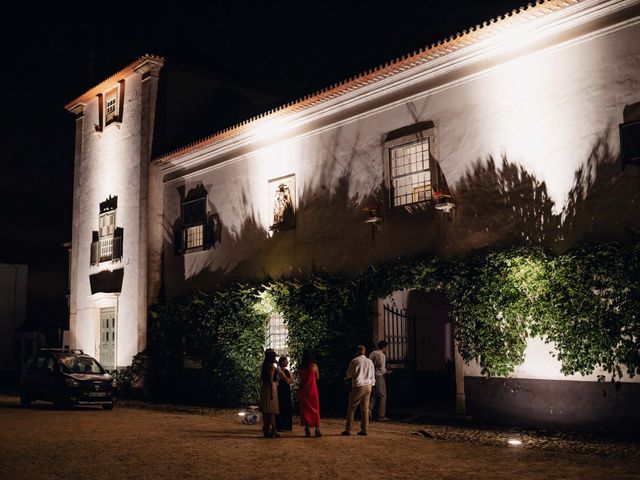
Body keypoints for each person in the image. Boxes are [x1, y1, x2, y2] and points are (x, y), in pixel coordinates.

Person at [342, 345, 375, 436]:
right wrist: (372, 384)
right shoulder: (369, 361)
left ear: (357, 352)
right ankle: (364, 429)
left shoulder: (355, 361)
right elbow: (372, 375)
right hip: (368, 385)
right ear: (365, 352)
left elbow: (349, 374)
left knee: (352, 408)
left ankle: (348, 429)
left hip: (358, 385)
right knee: (365, 408)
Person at [259, 349, 293, 438]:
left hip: (265, 388)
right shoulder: (271, 367)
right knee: (271, 411)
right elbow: (272, 380)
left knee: (266, 411)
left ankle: (266, 429)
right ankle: (274, 430)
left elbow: (261, 379)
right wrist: (272, 393)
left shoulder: (264, 366)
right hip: (271, 387)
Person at [297, 350, 321, 438]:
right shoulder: (314, 366)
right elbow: (317, 377)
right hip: (312, 390)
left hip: (303, 390)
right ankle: (317, 430)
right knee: (315, 409)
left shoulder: (300, 368)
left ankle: (306, 429)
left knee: (305, 410)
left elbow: (301, 379)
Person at [369, 340, 391, 421]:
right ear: (384, 347)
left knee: (374, 394)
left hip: (371, 376)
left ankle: (368, 409)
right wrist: (387, 371)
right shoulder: (382, 355)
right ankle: (381, 416)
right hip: (379, 376)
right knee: (383, 396)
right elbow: (382, 369)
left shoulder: (372, 353)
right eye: (386, 348)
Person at [276, 356, 293, 432]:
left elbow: (292, 380)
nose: (287, 362)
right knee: (281, 407)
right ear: (283, 362)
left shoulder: (287, 371)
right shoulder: (278, 371)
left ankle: (287, 425)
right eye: (286, 361)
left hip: (286, 390)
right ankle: (281, 425)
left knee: (287, 407)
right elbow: (287, 380)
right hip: (281, 390)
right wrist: (288, 380)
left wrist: (288, 380)